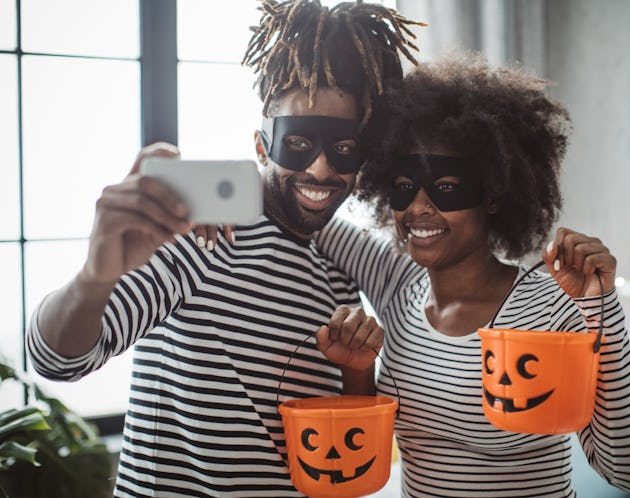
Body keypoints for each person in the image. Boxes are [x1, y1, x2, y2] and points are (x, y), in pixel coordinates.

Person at [25, 1, 422, 496]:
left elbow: (342, 439)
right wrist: (95, 276)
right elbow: (56, 360)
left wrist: (358, 373)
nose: (321, 170)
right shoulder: (204, 231)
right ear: (261, 147)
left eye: (343, 150)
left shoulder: (338, 265)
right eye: (298, 142)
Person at [314, 53, 630, 497]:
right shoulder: (396, 282)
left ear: (494, 195)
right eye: (404, 187)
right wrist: (209, 209)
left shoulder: (552, 305)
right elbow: (309, 209)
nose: (419, 206)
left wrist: (601, 307)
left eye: (446, 187)